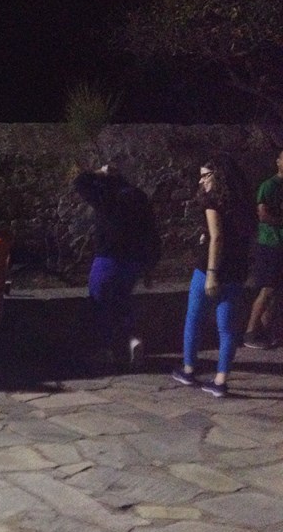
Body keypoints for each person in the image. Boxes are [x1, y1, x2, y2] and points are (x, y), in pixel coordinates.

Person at [172, 156, 255, 397]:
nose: (201, 181)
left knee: (194, 318)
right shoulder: (244, 205)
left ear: (218, 176)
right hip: (236, 271)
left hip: (211, 269)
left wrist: (211, 273)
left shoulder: (213, 201)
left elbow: (217, 237)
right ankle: (220, 380)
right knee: (227, 328)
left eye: (205, 176)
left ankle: (189, 369)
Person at [73, 164, 160, 368]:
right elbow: (151, 232)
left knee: (100, 304)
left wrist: (99, 172)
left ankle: (105, 350)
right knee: (122, 302)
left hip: (108, 259)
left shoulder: (106, 195)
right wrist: (148, 266)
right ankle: (133, 339)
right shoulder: (138, 196)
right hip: (133, 261)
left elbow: (80, 181)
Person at [243, 149, 283, 349]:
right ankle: (250, 332)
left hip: (280, 244)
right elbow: (263, 215)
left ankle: (269, 332)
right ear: (278, 162)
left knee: (275, 290)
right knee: (267, 288)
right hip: (269, 244)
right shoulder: (269, 186)